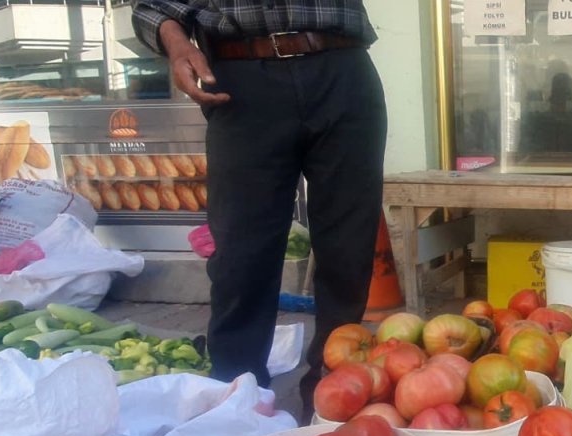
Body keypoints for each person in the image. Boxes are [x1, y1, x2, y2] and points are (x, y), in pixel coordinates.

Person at [131, 1, 387, 404]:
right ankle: (239, 399)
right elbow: (154, 6)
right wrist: (176, 42)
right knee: (241, 252)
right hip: (241, 78)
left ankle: (336, 392)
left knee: (348, 249)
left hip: (344, 69)